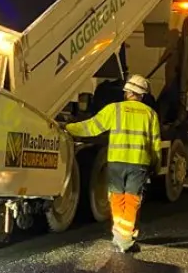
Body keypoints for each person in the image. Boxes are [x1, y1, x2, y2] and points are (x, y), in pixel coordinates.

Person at [65, 74, 162, 253]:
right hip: (138, 164)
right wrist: (156, 164)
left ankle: (120, 237)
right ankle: (125, 239)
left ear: (126, 92)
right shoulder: (150, 114)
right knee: (132, 200)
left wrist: (68, 128)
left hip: (116, 162)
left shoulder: (114, 109)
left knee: (117, 198)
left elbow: (91, 127)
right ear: (142, 95)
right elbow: (155, 144)